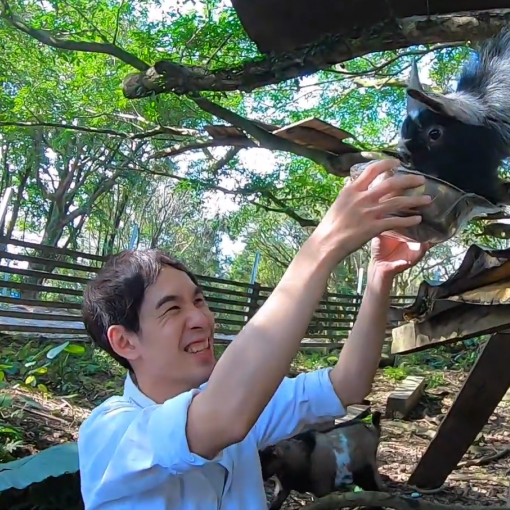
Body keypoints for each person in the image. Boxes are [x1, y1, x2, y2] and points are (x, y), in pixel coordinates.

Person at [77, 158, 432, 509]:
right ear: (125, 341)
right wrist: (325, 243)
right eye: (172, 308)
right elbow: (224, 417)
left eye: (198, 301)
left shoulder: (242, 405)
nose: (200, 318)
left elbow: (347, 384)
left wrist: (379, 275)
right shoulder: (110, 433)